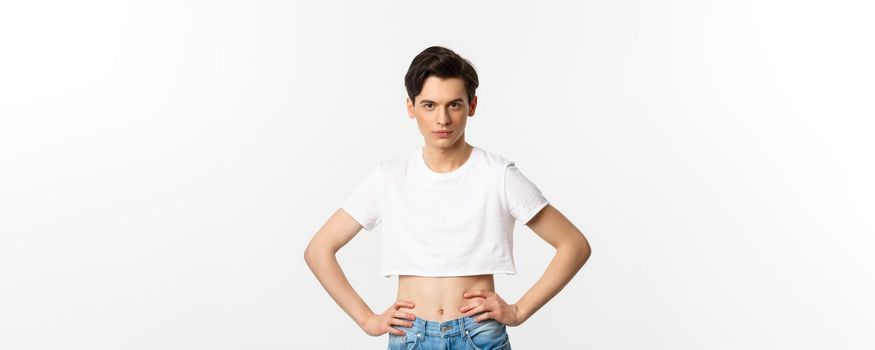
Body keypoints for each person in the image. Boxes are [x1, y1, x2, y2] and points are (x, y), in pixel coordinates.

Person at [304, 46, 592, 350]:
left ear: (472, 105)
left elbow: (574, 244)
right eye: (429, 105)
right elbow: (319, 249)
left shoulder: (498, 175)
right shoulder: (389, 177)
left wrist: (519, 311)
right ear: (410, 107)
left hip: (479, 337)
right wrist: (367, 319)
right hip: (411, 336)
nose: (442, 119)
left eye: (454, 104)